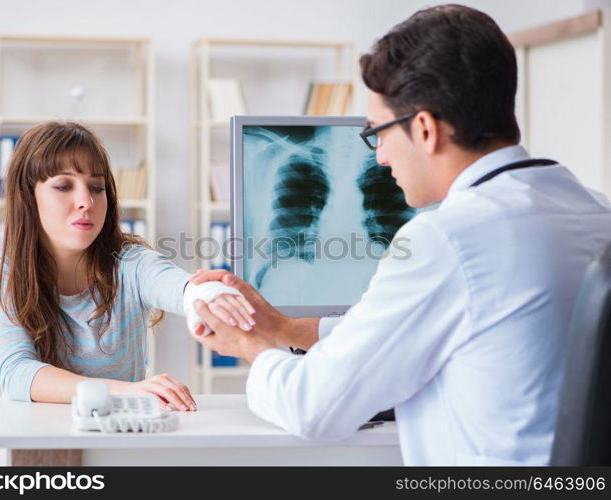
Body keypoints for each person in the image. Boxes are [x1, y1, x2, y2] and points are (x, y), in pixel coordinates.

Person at [189, 4, 611, 465]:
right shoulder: (594, 209)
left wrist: (248, 345)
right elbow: (408, 331)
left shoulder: (448, 239)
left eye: (378, 135)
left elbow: (314, 408)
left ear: (426, 129)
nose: (381, 158)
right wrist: (282, 328)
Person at [0, 121, 255, 410]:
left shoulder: (130, 261)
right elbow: (16, 374)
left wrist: (205, 295)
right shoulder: (3, 254)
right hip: (40, 435)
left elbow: (173, 283)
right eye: (64, 186)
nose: (86, 201)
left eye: (96, 187)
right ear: (27, 196)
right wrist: (129, 391)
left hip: (119, 433)